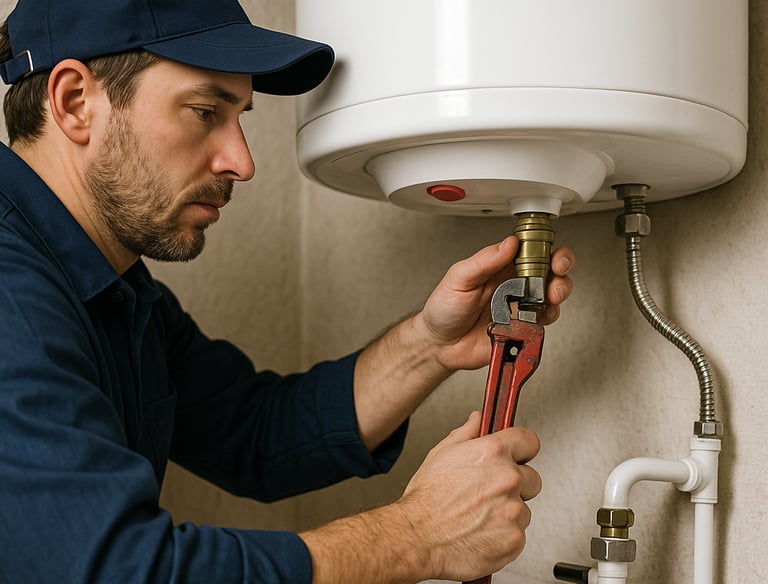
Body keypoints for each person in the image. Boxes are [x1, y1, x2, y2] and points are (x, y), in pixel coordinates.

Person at [0, 1, 575, 582]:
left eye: (240, 117)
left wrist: (431, 343)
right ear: (75, 102)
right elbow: (120, 571)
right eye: (205, 111)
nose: (242, 162)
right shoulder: (11, 293)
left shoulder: (114, 287)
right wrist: (419, 534)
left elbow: (256, 433)